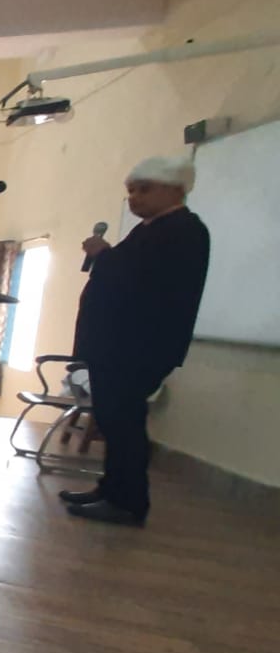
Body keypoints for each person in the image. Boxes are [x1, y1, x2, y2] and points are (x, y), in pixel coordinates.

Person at [64, 156, 211, 526]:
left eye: (144, 189)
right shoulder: (151, 228)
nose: (134, 198)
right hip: (118, 348)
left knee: (124, 423)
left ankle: (128, 502)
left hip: (137, 349)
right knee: (114, 422)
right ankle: (112, 489)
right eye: (130, 191)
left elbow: (144, 282)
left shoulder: (183, 230)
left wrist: (104, 254)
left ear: (174, 189)